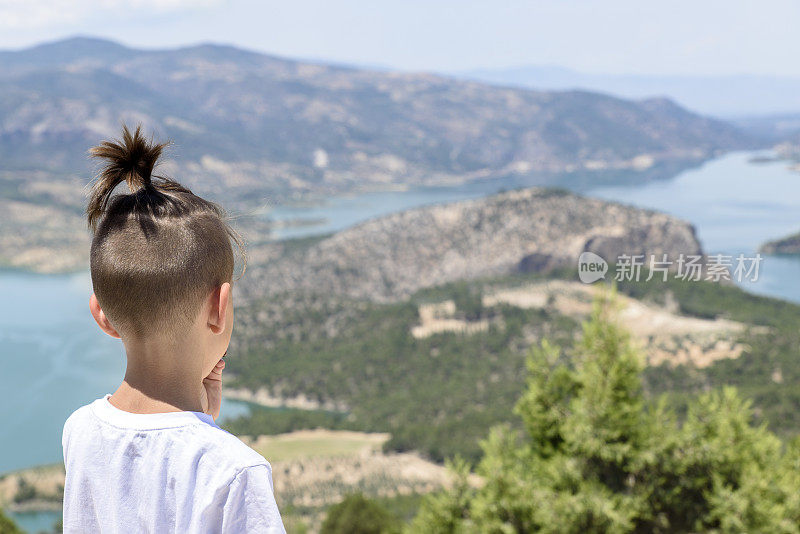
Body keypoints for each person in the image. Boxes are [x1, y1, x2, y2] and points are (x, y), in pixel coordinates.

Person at [61, 124, 285, 533]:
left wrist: (201, 421)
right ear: (220, 306)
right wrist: (205, 432)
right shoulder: (236, 472)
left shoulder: (79, 431)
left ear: (102, 315)